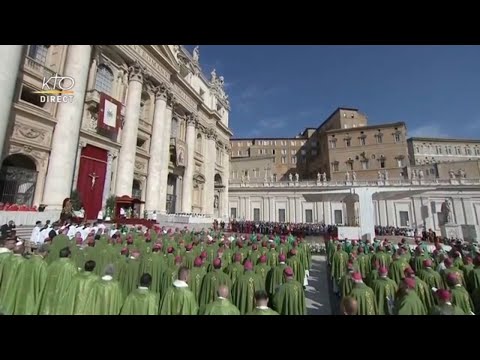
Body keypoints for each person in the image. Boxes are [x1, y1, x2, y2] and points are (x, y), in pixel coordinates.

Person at [38, 247, 78, 315]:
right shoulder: (71, 265)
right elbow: (75, 279)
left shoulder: (53, 263)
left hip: (50, 290)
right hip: (64, 291)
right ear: (69, 255)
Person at [11, 247, 48, 315]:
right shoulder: (42, 264)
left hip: (21, 294)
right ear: (45, 252)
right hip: (33, 296)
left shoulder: (25, 262)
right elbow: (44, 283)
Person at [0, 241, 27, 315]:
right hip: (16, 287)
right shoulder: (24, 262)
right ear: (22, 250)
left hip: (4, 286)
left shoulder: (5, 260)